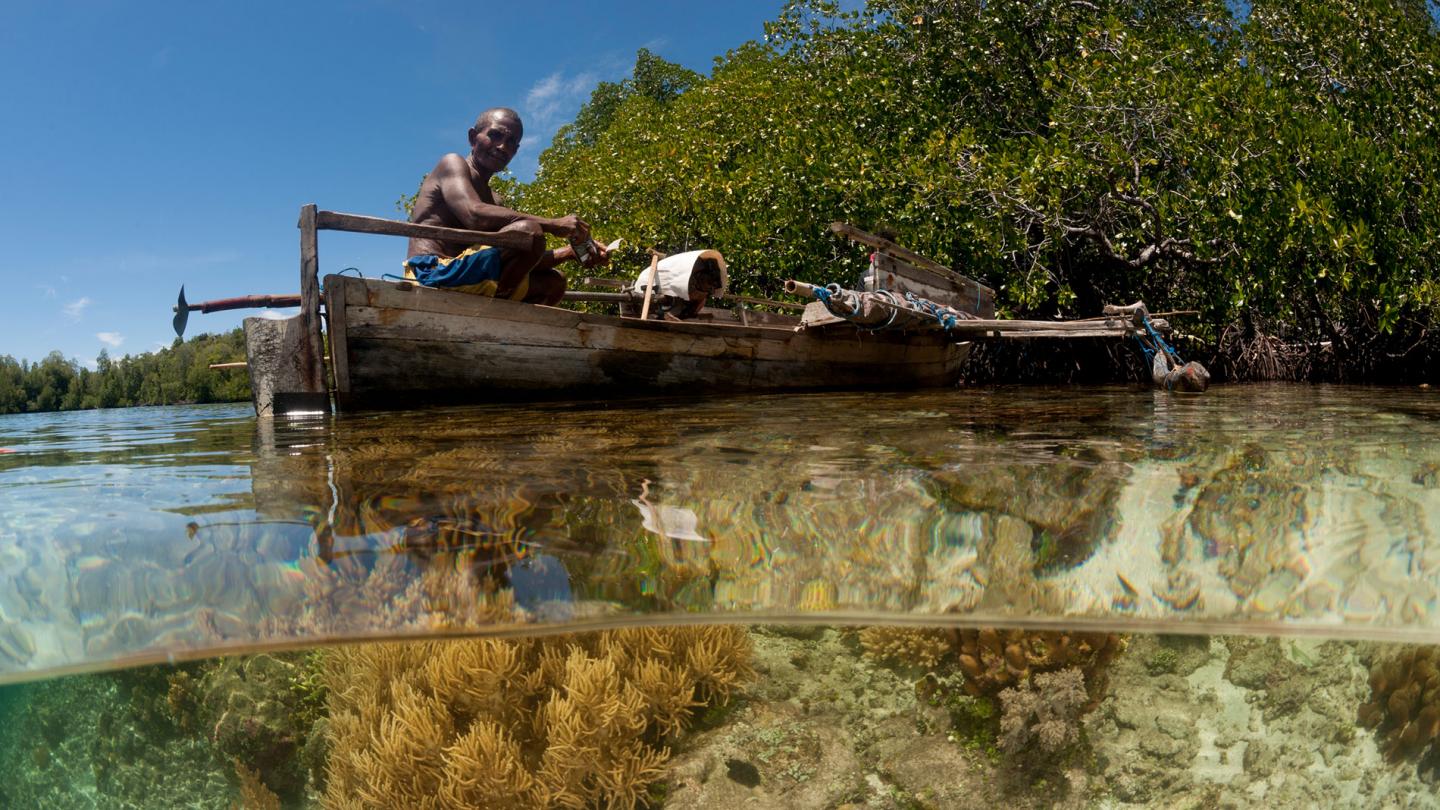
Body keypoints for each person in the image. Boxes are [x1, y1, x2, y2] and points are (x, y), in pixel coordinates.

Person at [405, 107, 609, 305]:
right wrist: (553, 224)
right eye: (495, 135)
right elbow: (473, 214)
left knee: (554, 282)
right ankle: (497, 302)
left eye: (511, 142)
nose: (502, 146)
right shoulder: (452, 163)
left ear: (516, 151)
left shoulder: (495, 200)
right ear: (472, 137)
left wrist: (571, 252)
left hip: (468, 274)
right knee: (528, 231)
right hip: (431, 272)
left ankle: (497, 308)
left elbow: (520, 256)